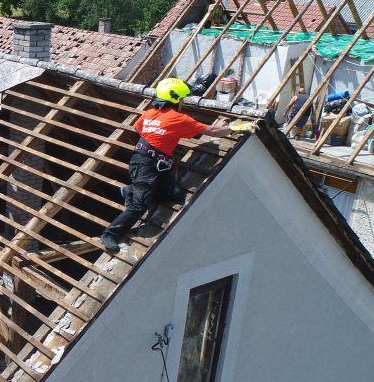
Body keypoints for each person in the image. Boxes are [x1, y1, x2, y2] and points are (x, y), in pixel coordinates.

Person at [98, 78, 256, 252]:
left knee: (174, 194)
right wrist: (240, 128)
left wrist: (158, 136)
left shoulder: (149, 113)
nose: (183, 103)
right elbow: (212, 131)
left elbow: (138, 127)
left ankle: (130, 191)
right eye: (181, 99)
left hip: (155, 164)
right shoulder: (179, 118)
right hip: (145, 165)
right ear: (174, 99)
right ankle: (109, 234)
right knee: (139, 206)